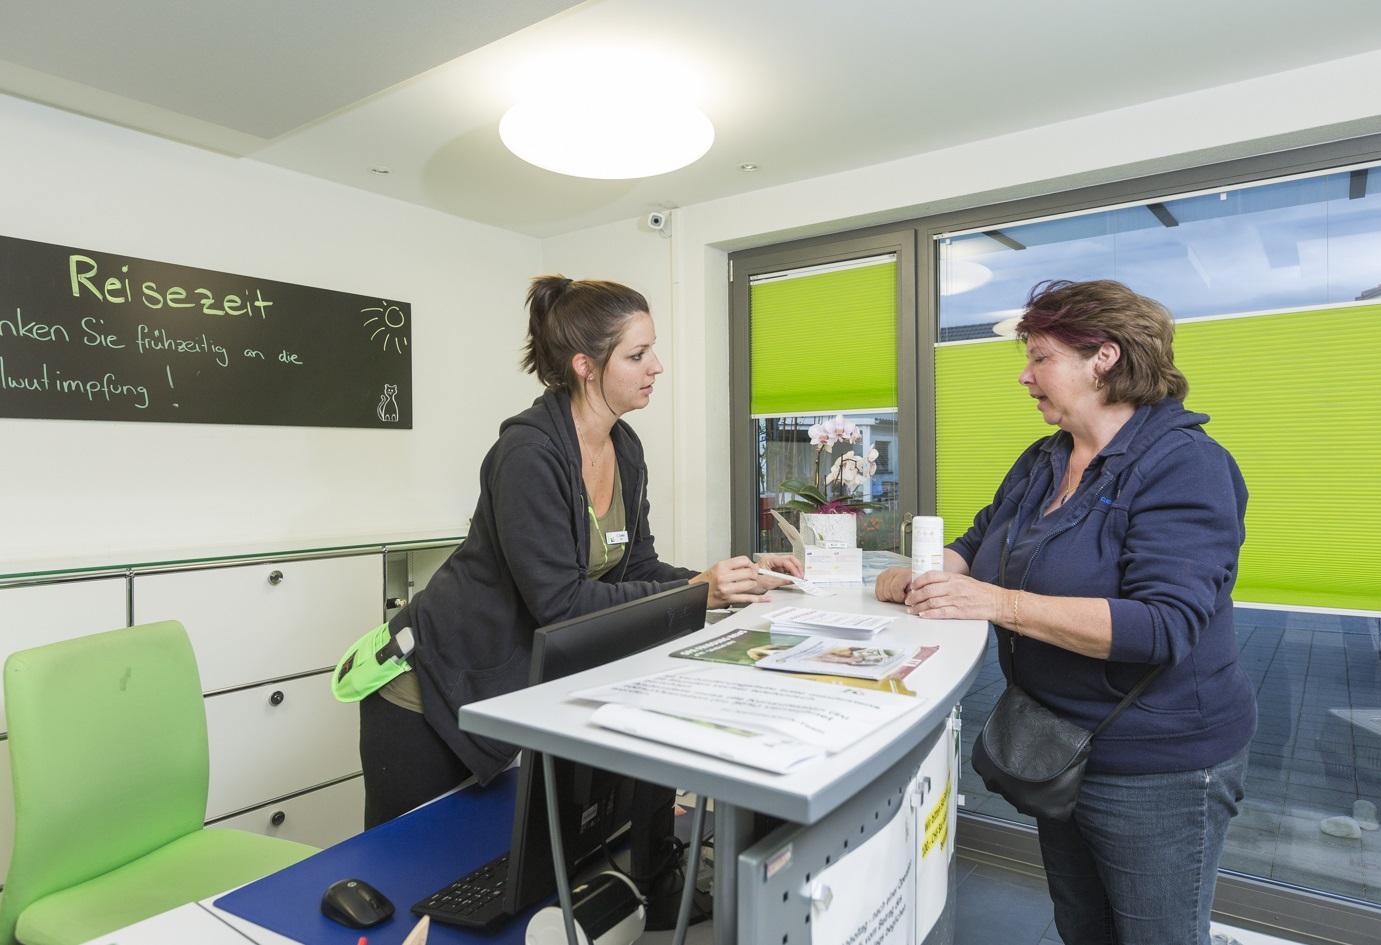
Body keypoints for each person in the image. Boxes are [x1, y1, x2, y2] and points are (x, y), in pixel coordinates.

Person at [877, 279, 1254, 945]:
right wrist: (932, 577)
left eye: (1039, 357)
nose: (1024, 376)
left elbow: (1162, 626)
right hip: (1055, 743)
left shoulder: (1186, 465)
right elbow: (978, 543)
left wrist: (997, 603)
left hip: (1154, 765)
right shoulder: (1044, 458)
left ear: (1102, 356)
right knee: (1081, 927)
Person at [359, 275, 801, 827]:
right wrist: (698, 591)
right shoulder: (527, 454)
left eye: (652, 351)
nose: (656, 366)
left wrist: (733, 577)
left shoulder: (625, 446)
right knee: (405, 874)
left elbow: (637, 567)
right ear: (585, 366)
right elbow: (560, 604)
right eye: (638, 354)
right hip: (428, 689)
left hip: (502, 683)